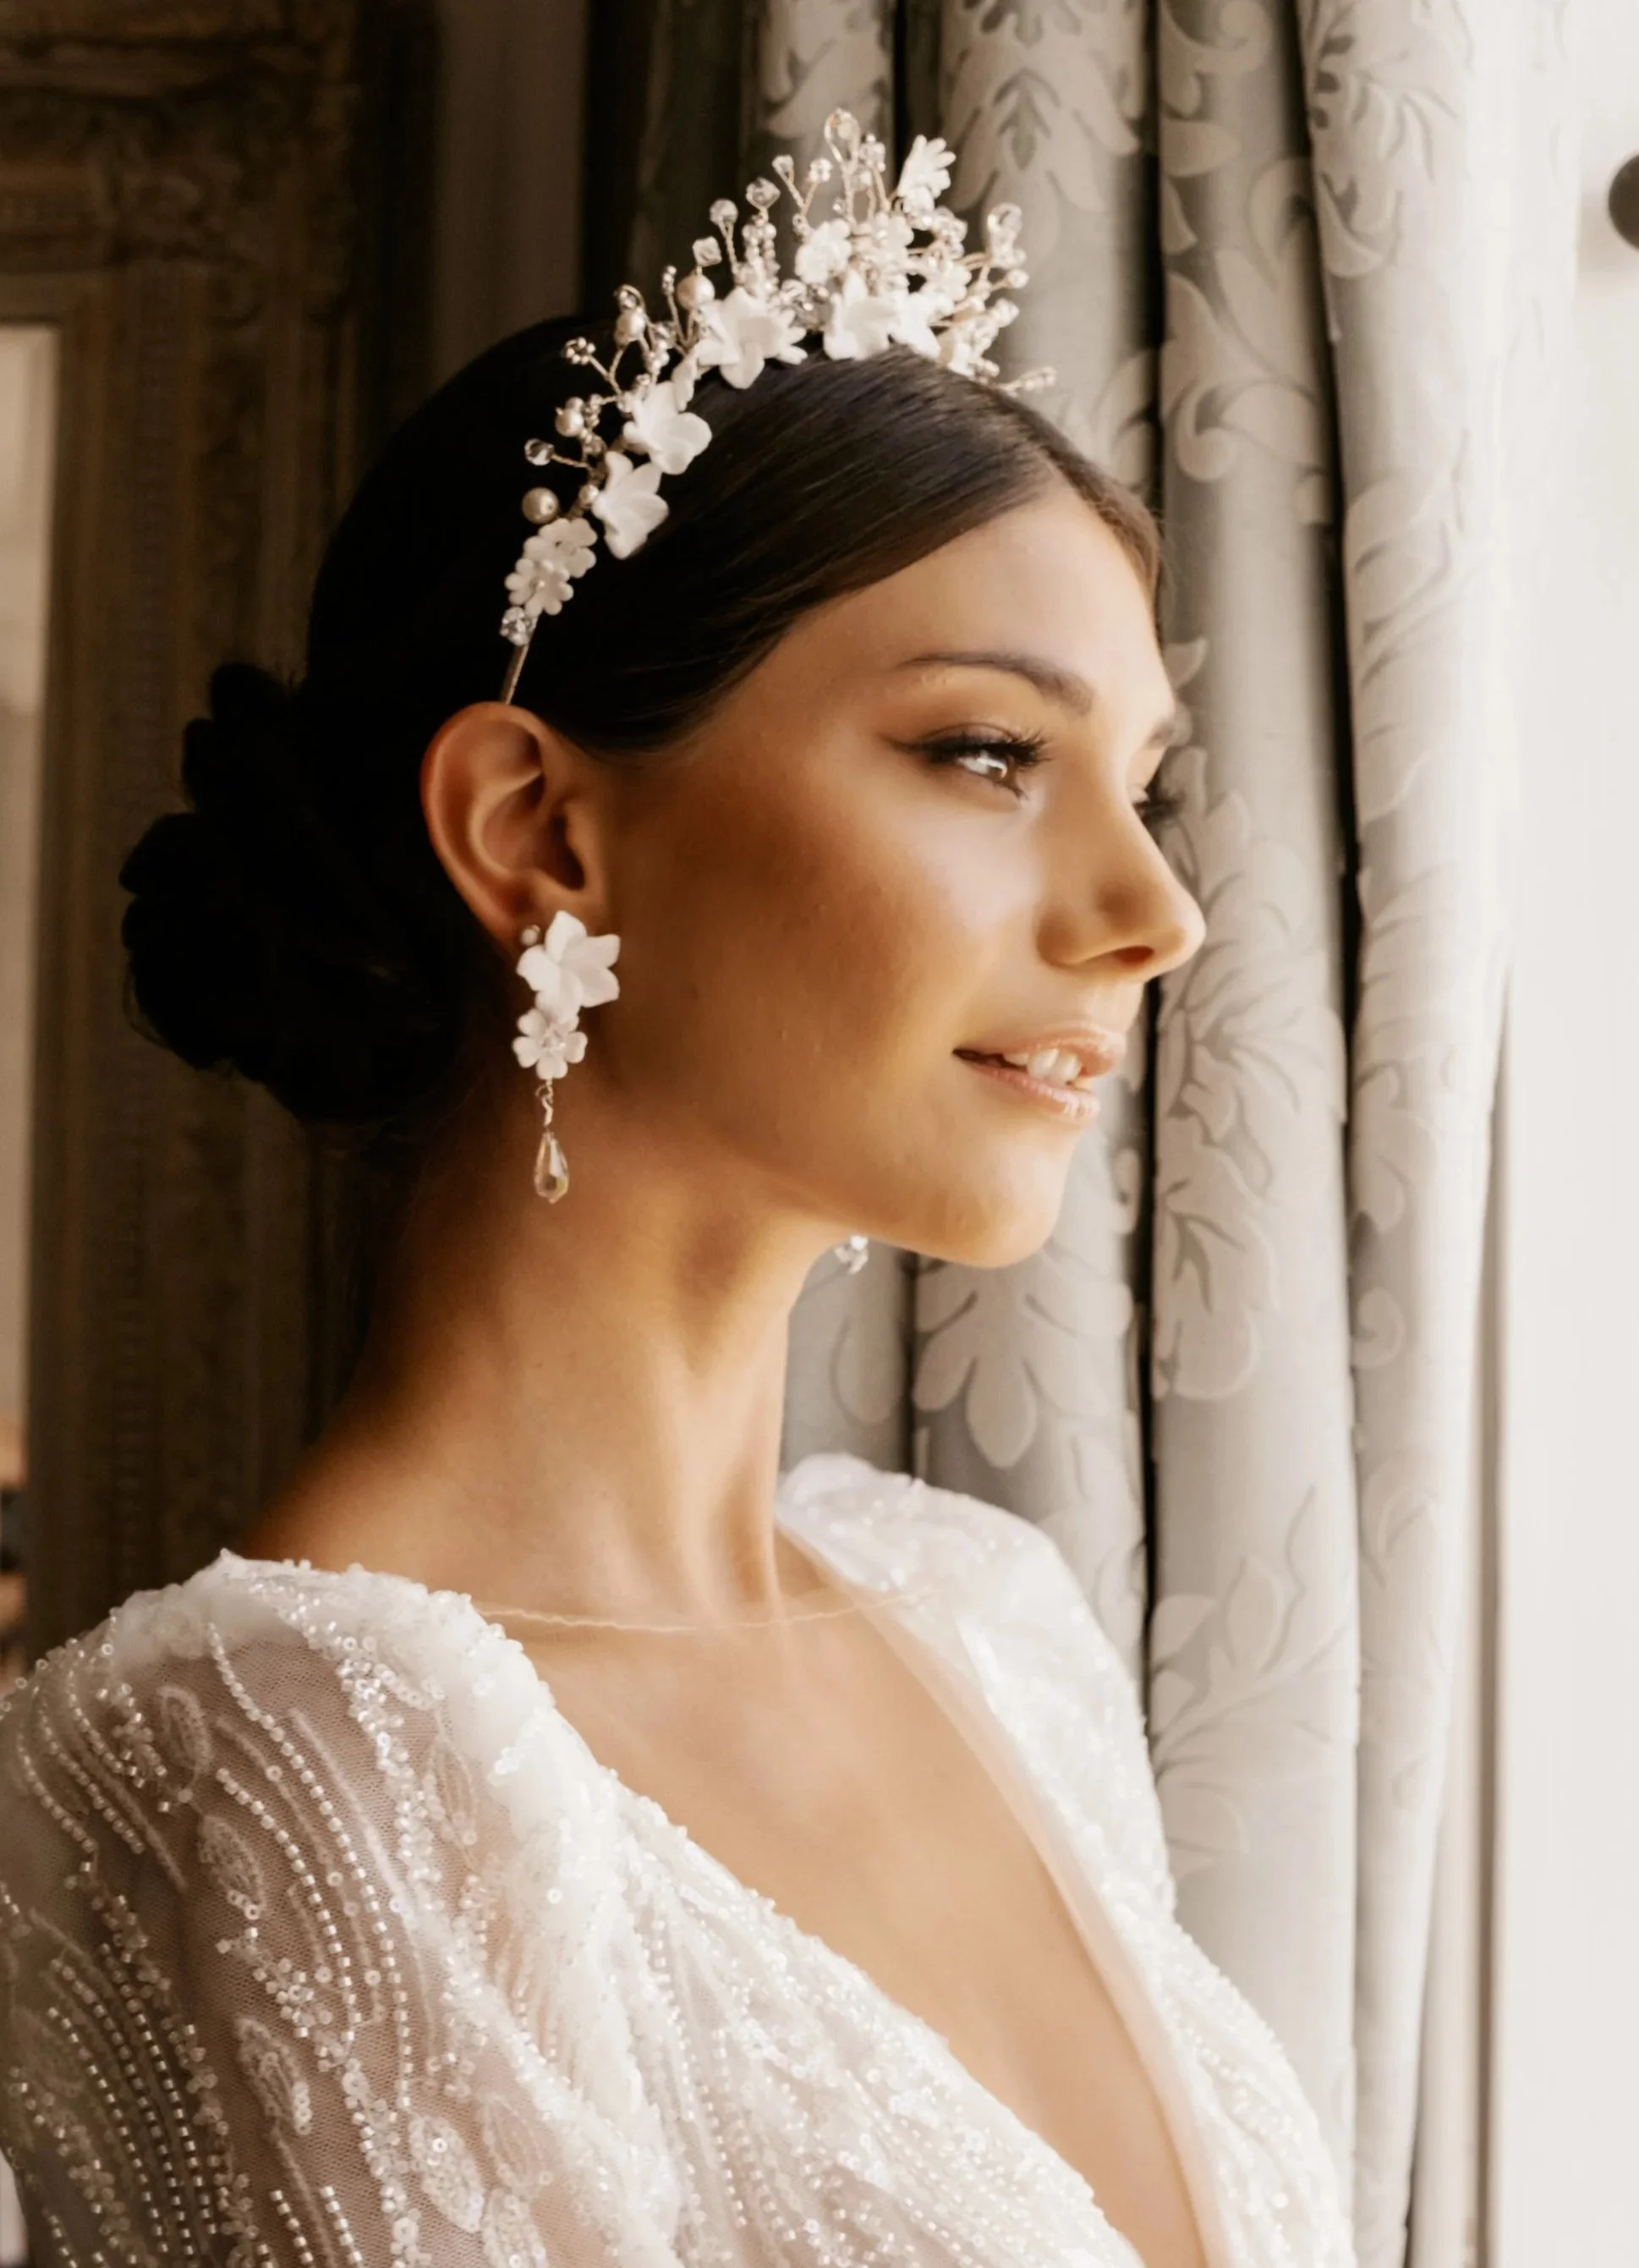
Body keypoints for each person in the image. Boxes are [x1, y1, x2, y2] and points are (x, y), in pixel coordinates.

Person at [0, 117, 1354, 2268]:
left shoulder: (982, 1625)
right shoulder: (298, 1743)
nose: (1158, 909)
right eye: (989, 754)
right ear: (539, 829)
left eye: (1146, 783)